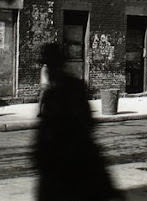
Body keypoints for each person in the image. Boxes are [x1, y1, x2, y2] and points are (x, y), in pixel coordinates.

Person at [34, 43, 122, 201]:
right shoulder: (63, 90)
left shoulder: (68, 90)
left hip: (72, 164)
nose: (49, 70)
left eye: (51, 65)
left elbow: (85, 123)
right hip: (67, 164)